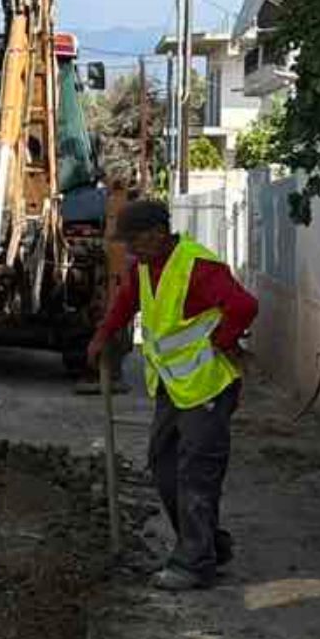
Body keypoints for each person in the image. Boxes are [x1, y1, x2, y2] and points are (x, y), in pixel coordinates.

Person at [87, 199, 258, 591]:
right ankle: (209, 544)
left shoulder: (198, 266)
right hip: (172, 385)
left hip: (209, 386)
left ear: (157, 235)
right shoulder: (145, 268)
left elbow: (245, 305)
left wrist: (224, 340)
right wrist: (103, 334)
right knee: (163, 466)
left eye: (133, 241)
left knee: (196, 473)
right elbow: (126, 302)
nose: (129, 250)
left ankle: (195, 564)